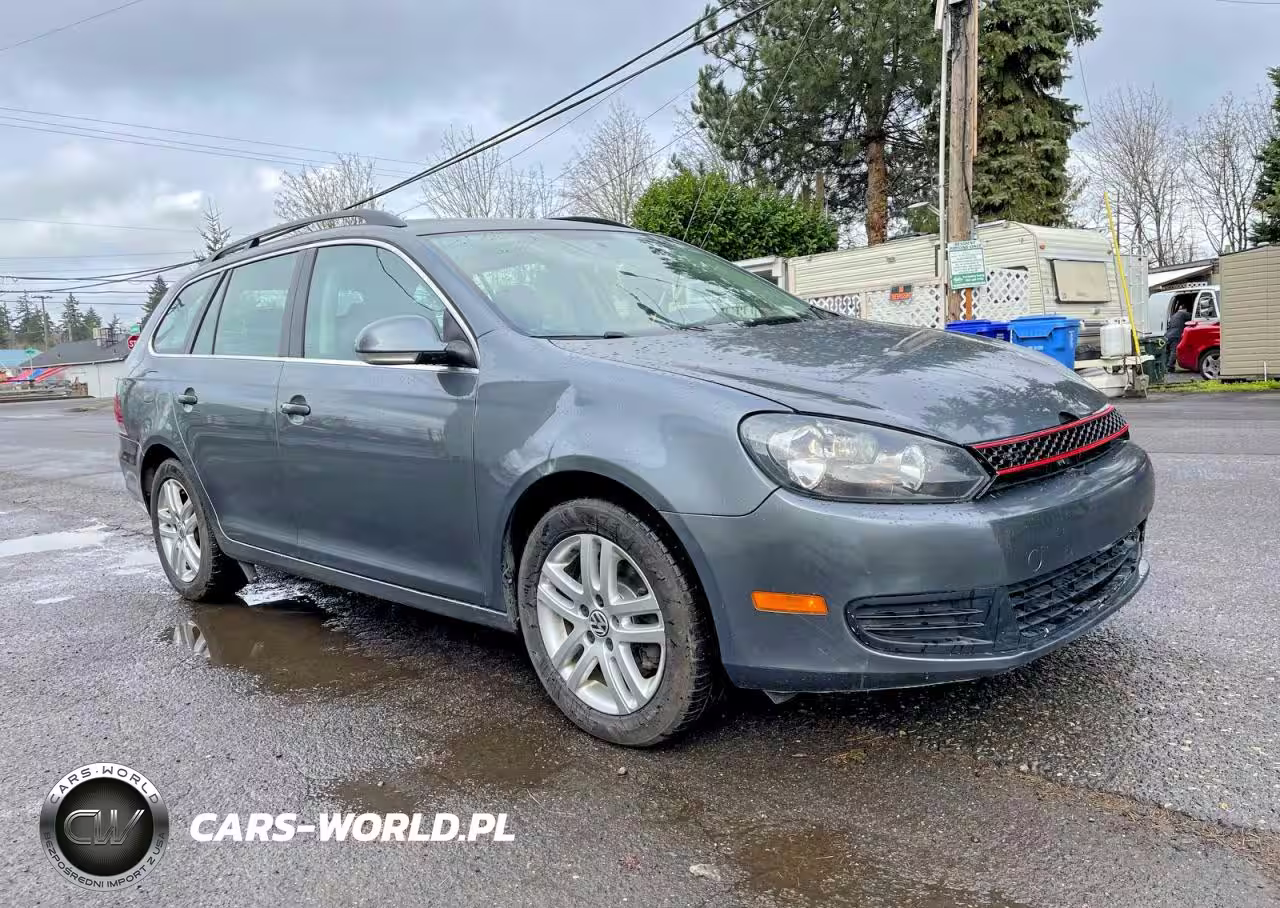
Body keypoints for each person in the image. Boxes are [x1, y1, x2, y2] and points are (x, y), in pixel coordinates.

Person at [1166, 301, 1191, 371]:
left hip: (1169, 334)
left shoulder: (1173, 315)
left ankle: (1167, 366)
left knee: (1168, 351)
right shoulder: (1182, 314)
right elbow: (1192, 316)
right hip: (1176, 335)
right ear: (1185, 309)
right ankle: (1170, 367)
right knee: (1174, 351)